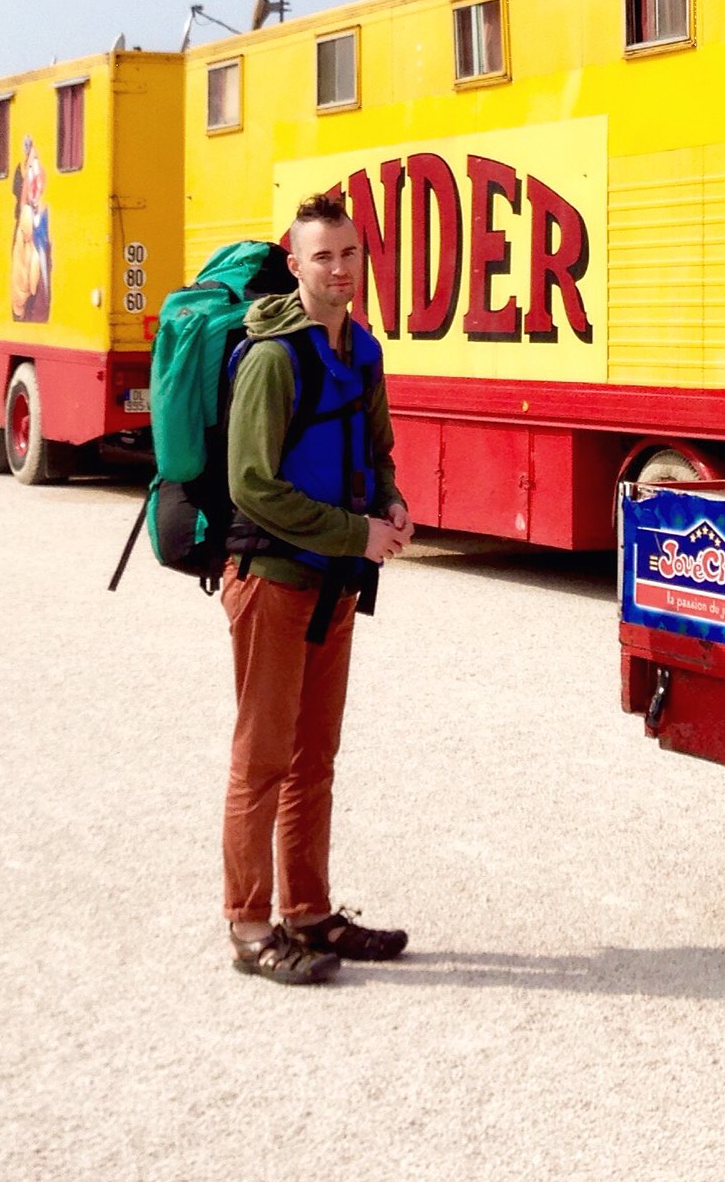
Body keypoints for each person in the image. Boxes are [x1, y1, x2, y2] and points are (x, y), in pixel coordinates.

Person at [221, 190, 414, 984]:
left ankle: (308, 913)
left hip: (334, 584)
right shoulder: (273, 358)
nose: (338, 269)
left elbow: (378, 450)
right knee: (262, 758)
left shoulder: (359, 351)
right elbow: (251, 485)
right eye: (321, 256)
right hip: (272, 581)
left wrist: (391, 505)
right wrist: (355, 535)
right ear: (294, 265)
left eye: (349, 254)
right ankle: (249, 928)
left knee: (315, 757)